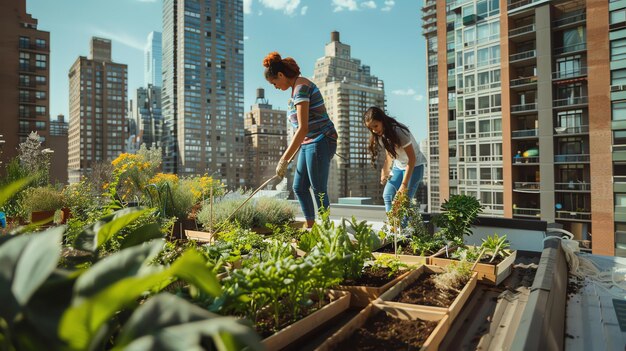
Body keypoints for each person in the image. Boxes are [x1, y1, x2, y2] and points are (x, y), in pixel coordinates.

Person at [263, 52, 337, 228]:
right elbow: (300, 131)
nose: (275, 87)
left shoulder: (301, 87)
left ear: (281, 75)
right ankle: (310, 226)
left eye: (274, 83)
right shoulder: (295, 90)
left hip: (321, 140)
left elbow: (303, 128)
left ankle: (326, 230)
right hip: (308, 143)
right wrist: (289, 158)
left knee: (318, 189)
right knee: (299, 187)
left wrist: (284, 159)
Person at [363, 106, 426, 213]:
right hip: (399, 166)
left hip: (414, 166)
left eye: (375, 126)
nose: (374, 130)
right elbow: (390, 154)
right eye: (370, 128)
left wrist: (404, 185)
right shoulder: (380, 134)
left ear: (382, 120)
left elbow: (412, 158)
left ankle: (404, 229)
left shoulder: (400, 132)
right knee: (387, 195)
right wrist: (385, 170)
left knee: (404, 201)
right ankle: (392, 227)